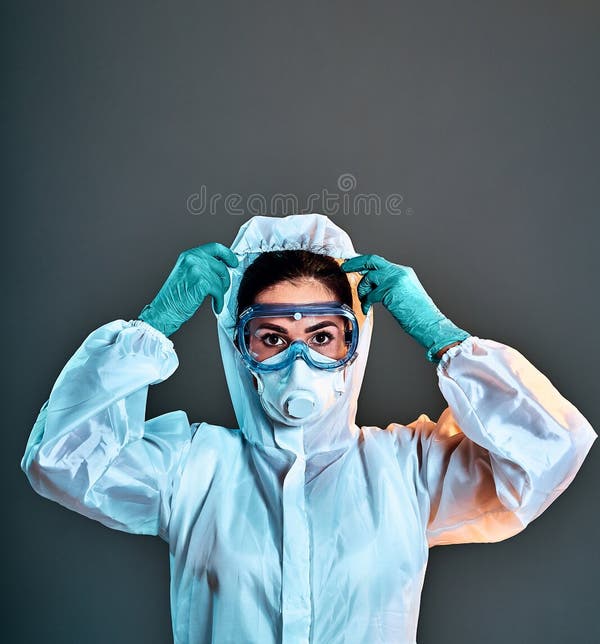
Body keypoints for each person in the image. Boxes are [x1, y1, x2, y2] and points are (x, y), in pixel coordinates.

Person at [21, 213, 597, 644]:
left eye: (322, 336)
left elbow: (551, 448)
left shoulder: (408, 471)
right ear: (240, 349)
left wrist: (441, 336)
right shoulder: (191, 469)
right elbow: (60, 458)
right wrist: (155, 321)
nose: (297, 361)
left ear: (353, 345)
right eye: (272, 337)